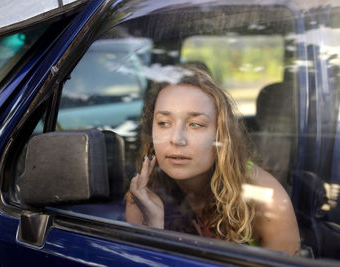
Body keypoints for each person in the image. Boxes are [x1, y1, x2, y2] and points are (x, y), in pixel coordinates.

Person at [125, 65, 301, 256]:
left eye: (195, 124)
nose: (176, 139)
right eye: (164, 123)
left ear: (221, 134)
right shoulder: (143, 195)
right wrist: (153, 229)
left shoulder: (267, 200)